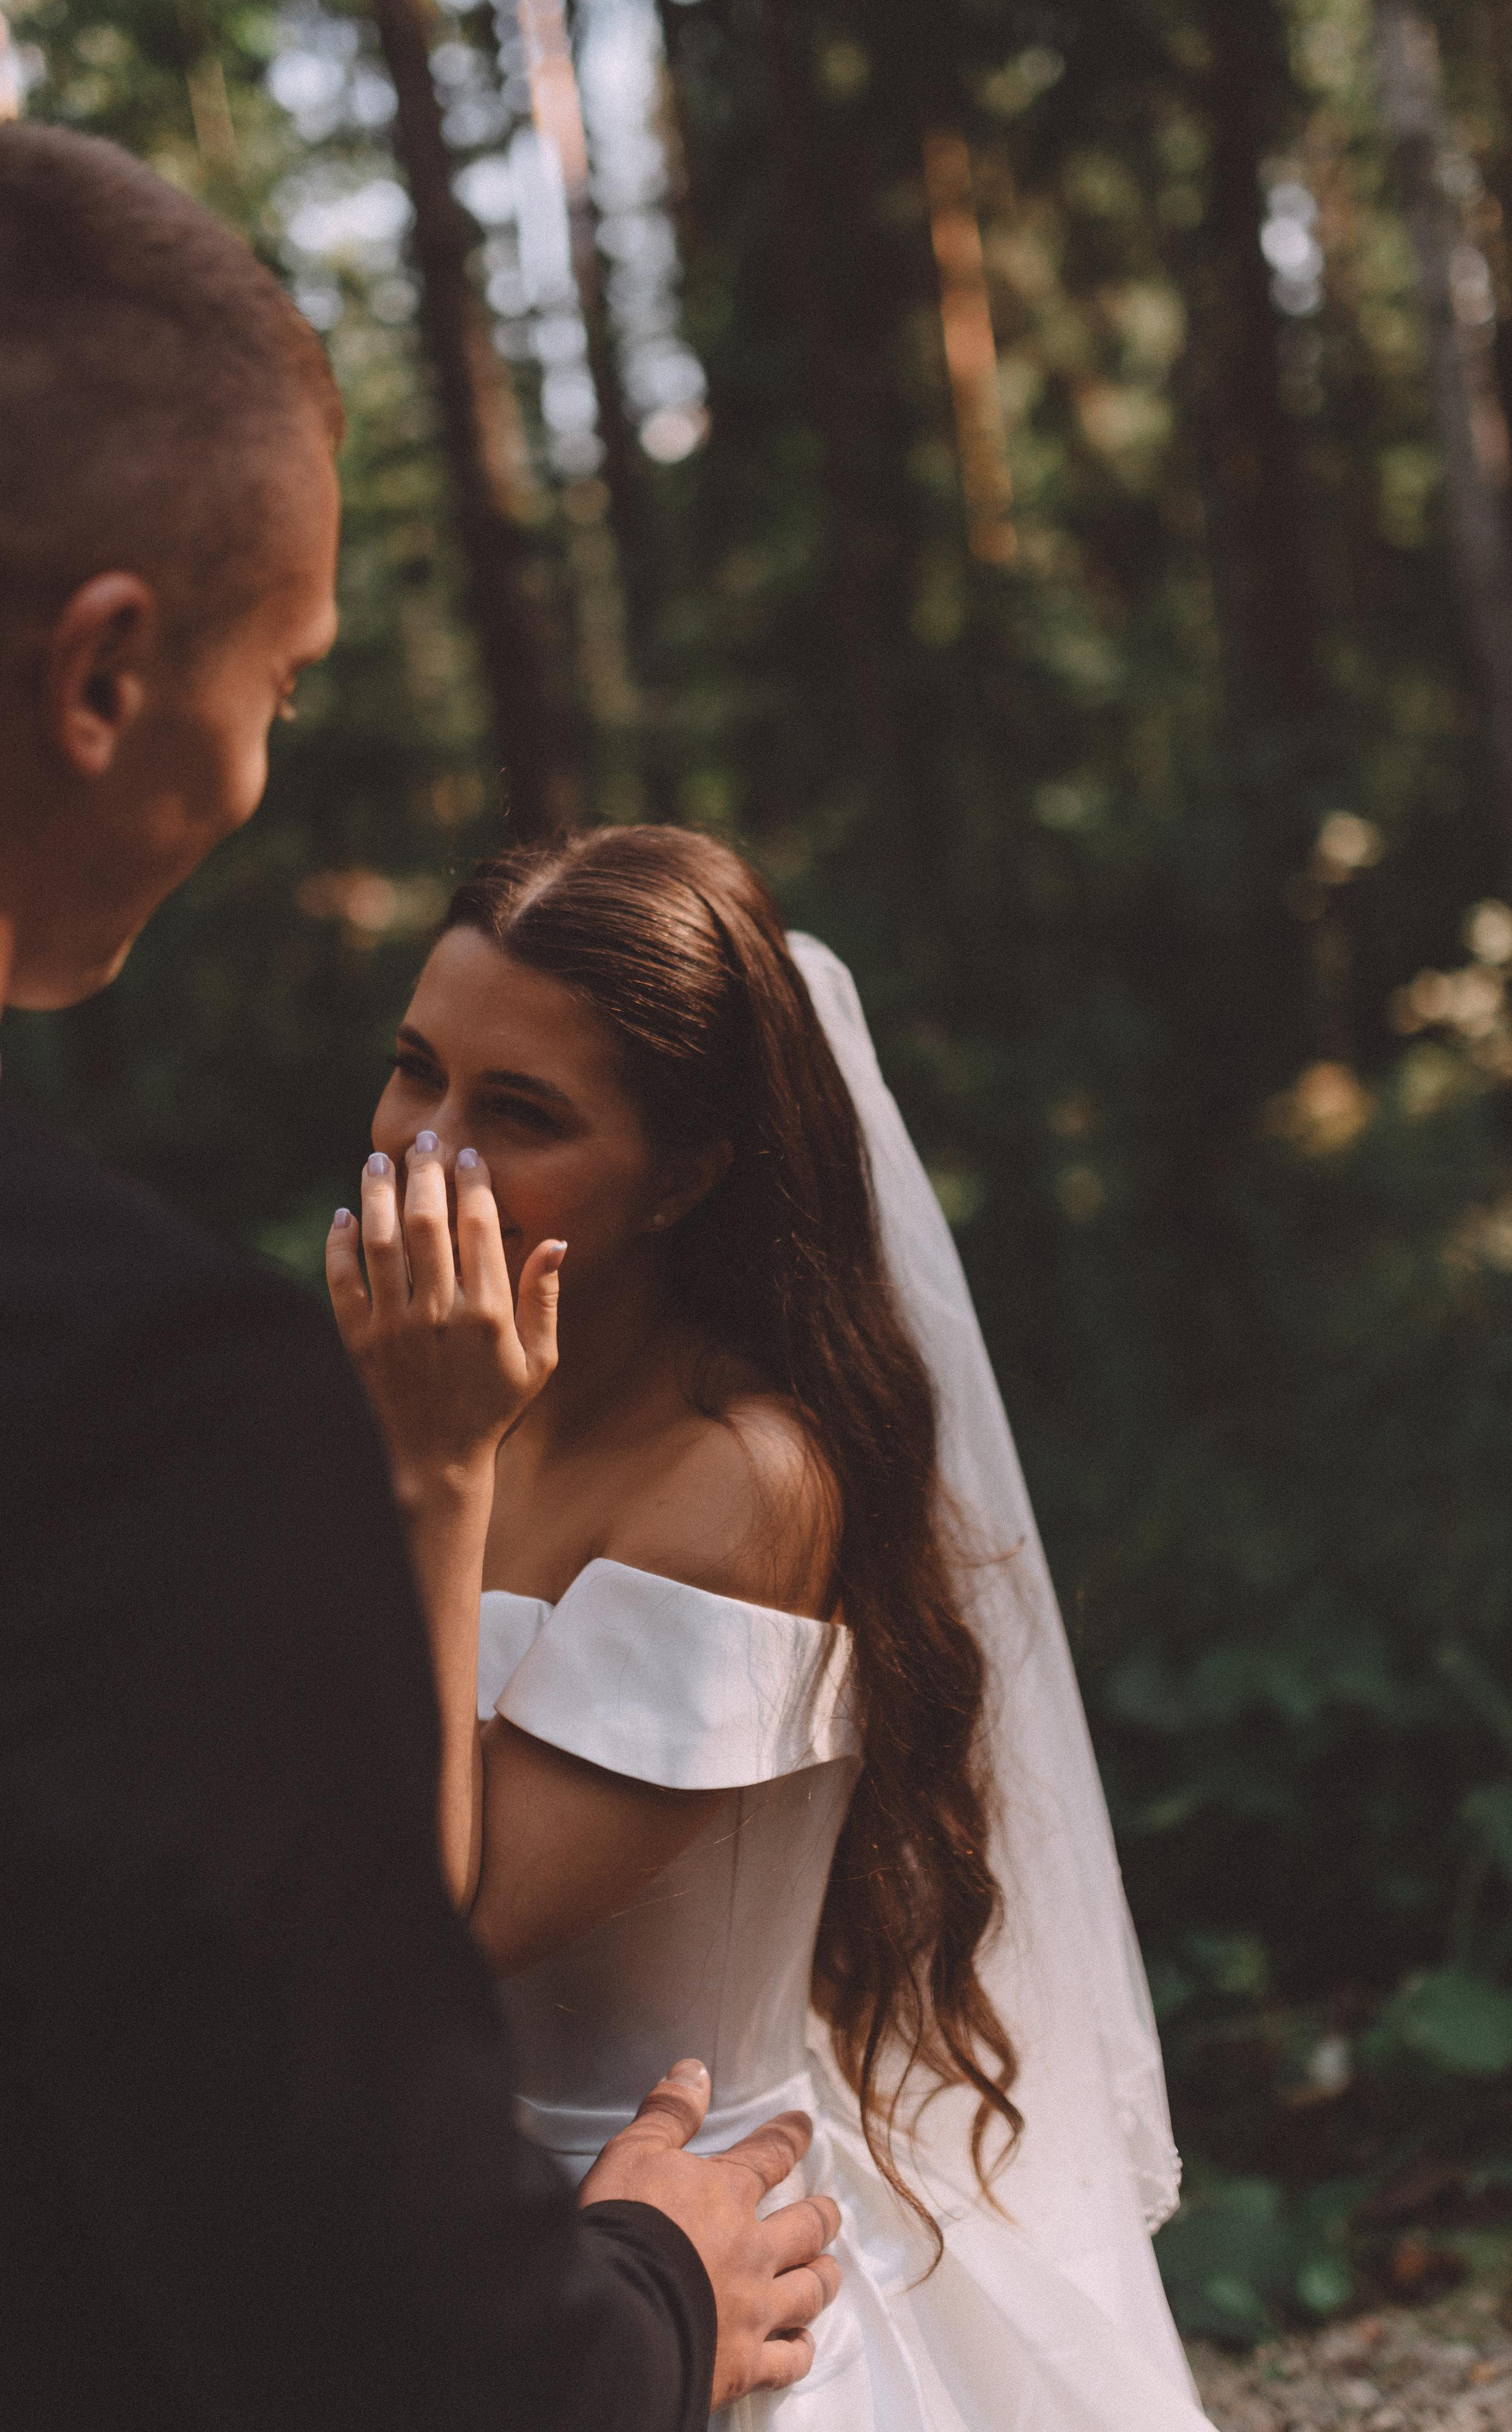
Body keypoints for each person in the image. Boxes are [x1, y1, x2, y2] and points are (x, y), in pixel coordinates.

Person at [0, 124, 842, 2429]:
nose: (261, 763)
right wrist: (656, 2301)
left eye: (517, 1108)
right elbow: (374, 2322)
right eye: (283, 676)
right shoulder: (125, 1387)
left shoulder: (723, 1470)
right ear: (108, 673)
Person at [329, 823, 1219, 2429]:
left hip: (688, 2272)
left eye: (520, 1113)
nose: (427, 1150)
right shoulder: (440, 1396)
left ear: (686, 1169)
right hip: (425, 2254)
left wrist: (427, 1461)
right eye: (415, 1070)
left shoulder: (742, 1480)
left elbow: (420, 1938)